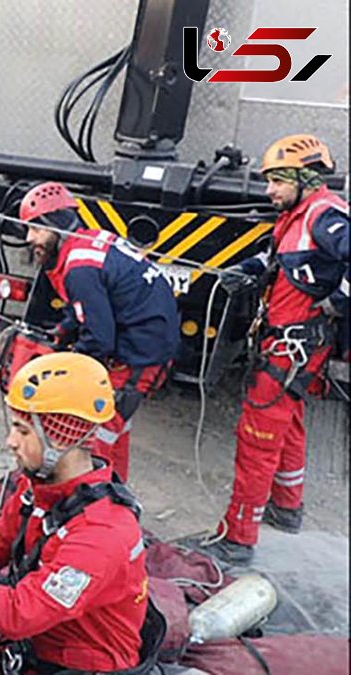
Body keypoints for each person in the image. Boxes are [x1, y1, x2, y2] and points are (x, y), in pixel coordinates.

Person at [0, 352, 153, 673]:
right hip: (40, 644)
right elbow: (1, 537)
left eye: (23, 430)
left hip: (79, 665)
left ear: (61, 437)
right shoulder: (42, 491)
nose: (10, 441)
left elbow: (18, 615)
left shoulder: (102, 534)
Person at [196, 134, 348, 565]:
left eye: (276, 182)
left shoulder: (324, 215)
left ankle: (238, 536)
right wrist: (243, 271)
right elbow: (275, 258)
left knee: (258, 433)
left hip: (295, 342)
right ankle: (286, 507)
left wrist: (337, 301)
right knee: (291, 419)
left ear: (303, 178)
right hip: (288, 339)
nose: (268, 191)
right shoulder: (294, 216)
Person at [19, 182, 180, 482]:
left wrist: (66, 369)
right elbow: (93, 305)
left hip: (138, 353)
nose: (30, 238)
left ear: (58, 225)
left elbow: (99, 339)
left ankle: (97, 506)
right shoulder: (89, 240)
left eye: (36, 229)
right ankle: (118, 493)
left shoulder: (79, 268)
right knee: (116, 429)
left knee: (94, 437)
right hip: (149, 341)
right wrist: (65, 329)